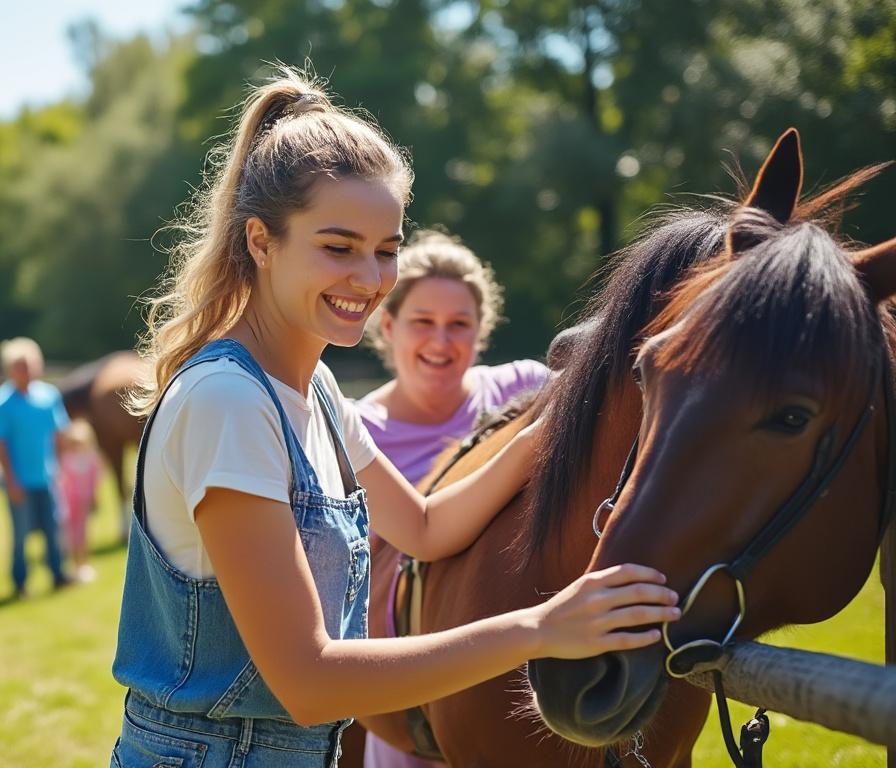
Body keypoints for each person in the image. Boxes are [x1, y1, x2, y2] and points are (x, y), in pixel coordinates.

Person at [109, 70, 680, 768]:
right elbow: (309, 682)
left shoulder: (317, 391)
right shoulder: (228, 403)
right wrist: (539, 629)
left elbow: (426, 529)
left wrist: (551, 425)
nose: (370, 279)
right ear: (260, 241)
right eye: (338, 247)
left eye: (386, 250)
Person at [355, 230, 549, 767]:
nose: (441, 342)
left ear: (481, 332)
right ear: (388, 327)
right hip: (411, 694)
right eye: (423, 322)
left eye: (459, 325)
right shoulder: (357, 435)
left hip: (536, 675)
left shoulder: (527, 393)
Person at [0, 337, 69, 597]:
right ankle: (19, 582)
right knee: (21, 534)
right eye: (19, 365)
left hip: (47, 477)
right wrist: (10, 480)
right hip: (19, 480)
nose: (24, 370)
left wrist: (59, 469)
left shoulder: (49, 396)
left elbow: (59, 435)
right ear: (9, 369)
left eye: (29, 364)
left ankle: (58, 574)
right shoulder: (1, 403)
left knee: (53, 529)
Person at [58, 419, 102, 584]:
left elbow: (94, 482)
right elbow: (62, 483)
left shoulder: (91, 461)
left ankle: (83, 564)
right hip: (70, 506)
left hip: (83, 505)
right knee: (70, 537)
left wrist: (93, 497)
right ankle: (74, 565)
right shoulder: (67, 460)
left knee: (83, 535)